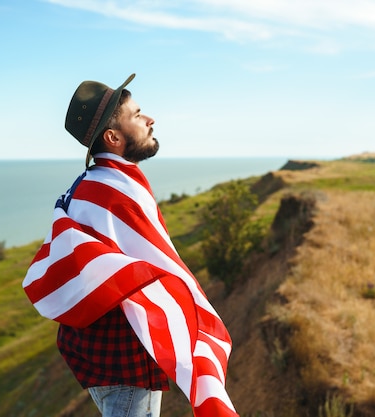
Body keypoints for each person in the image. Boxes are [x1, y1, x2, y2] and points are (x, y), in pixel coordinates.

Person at [22, 74, 239, 417]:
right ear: (113, 137)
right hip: (125, 361)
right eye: (137, 115)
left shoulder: (88, 184)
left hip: (98, 356)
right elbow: (164, 269)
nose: (150, 119)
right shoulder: (115, 193)